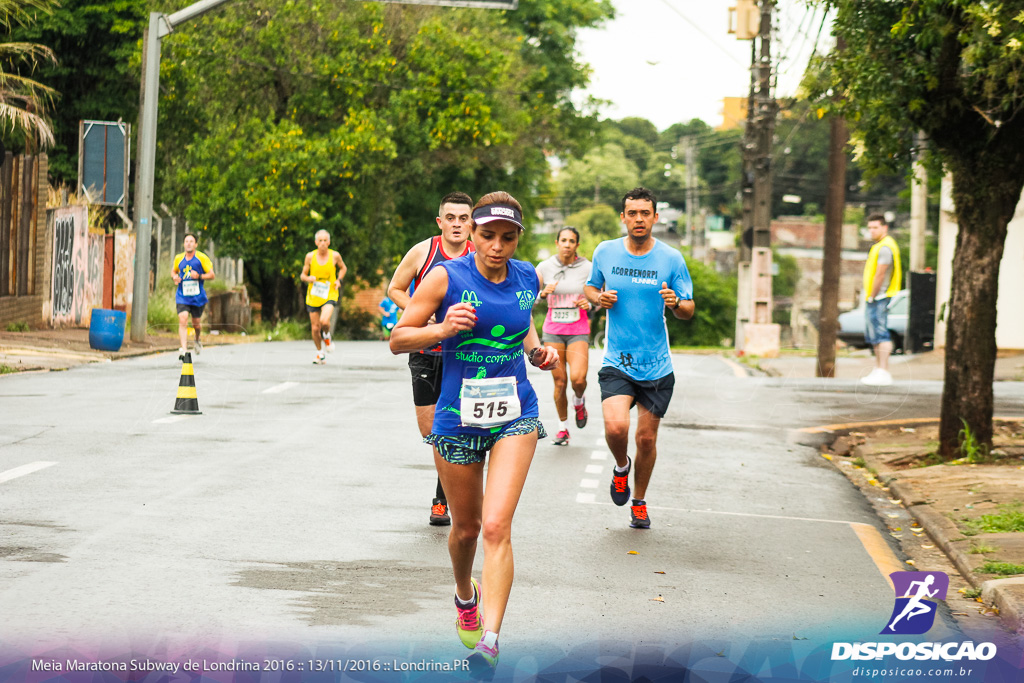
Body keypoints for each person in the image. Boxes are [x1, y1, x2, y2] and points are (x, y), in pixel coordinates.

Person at [389, 191, 557, 676]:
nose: (497, 247)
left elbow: (524, 323)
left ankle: (491, 639)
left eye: (508, 238)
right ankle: (466, 593)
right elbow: (399, 339)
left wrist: (538, 351)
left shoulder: (530, 277)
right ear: (474, 234)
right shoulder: (446, 276)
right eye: (488, 236)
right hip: (459, 418)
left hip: (515, 414)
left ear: (518, 238)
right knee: (464, 530)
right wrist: (441, 330)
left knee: (496, 526)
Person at [584, 187, 694, 530]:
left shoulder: (671, 259)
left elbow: (688, 310)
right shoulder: (605, 251)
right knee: (616, 427)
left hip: (657, 365)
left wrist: (676, 303)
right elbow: (590, 288)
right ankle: (621, 467)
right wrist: (599, 297)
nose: (639, 219)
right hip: (617, 360)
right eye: (632, 213)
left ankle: (640, 501)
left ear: (655, 217)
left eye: (645, 213)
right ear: (623, 217)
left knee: (647, 439)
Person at [387, 192, 476, 527]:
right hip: (425, 352)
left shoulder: (479, 254)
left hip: (464, 354)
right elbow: (394, 288)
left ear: (471, 223)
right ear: (440, 222)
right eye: (450, 218)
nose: (456, 224)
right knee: (432, 432)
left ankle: (443, 499)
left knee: (457, 426)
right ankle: (448, 491)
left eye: (463, 218)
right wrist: (416, 313)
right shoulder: (424, 251)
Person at [536, 226, 593, 446]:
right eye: (563, 240)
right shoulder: (544, 267)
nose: (567, 244)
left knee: (578, 379)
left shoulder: (587, 268)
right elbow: (528, 298)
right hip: (553, 331)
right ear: (556, 242)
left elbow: (597, 297)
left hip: (578, 330)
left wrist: (590, 303)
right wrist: (542, 294)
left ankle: (579, 400)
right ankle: (563, 428)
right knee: (560, 382)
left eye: (572, 241)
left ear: (577, 245)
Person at [860, 214, 902, 387]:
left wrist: (872, 295)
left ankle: (883, 371)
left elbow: (880, 273)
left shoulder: (885, 247)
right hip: (877, 296)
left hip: (880, 296)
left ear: (884, 228)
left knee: (880, 333)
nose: (872, 231)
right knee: (875, 335)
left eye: (875, 227)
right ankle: (879, 369)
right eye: (869, 227)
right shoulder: (880, 246)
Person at [299, 229, 347, 364]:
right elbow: (302, 275)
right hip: (314, 294)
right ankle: (320, 353)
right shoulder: (310, 257)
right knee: (315, 328)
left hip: (329, 292)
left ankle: (326, 335)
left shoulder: (335, 255)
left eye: (325, 240)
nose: (323, 243)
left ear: (329, 242)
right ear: (316, 242)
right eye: (320, 240)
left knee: (324, 322)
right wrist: (309, 278)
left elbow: (343, 268)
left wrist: (339, 280)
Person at [172, 232, 215, 361]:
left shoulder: (202, 258)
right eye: (186, 241)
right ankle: (184, 349)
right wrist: (174, 277)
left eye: (191, 241)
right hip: (182, 295)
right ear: (184, 244)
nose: (188, 243)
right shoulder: (179, 258)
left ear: (196, 244)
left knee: (196, 324)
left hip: (197, 297)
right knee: (183, 318)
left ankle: (197, 339)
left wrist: (200, 276)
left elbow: (212, 275)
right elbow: (174, 271)